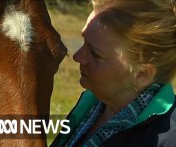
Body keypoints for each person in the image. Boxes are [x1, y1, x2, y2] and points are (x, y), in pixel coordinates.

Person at [51, 0, 176, 146]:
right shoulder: (93, 104)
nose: (77, 57)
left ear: (141, 74)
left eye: (95, 54)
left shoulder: (168, 139)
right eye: (84, 41)